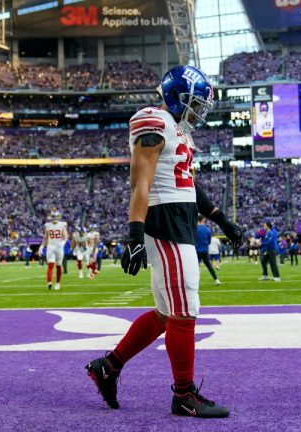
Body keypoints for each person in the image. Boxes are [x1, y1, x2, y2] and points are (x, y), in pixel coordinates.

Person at [85, 65, 243, 418]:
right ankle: (183, 394)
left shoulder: (178, 131)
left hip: (180, 220)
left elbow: (187, 185)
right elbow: (141, 183)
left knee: (165, 314)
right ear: (176, 96)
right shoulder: (153, 120)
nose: (198, 110)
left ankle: (108, 366)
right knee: (185, 310)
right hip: (165, 223)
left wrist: (221, 219)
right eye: (194, 102)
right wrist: (134, 236)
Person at [43, 210, 67, 291]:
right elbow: (45, 237)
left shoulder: (62, 225)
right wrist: (41, 246)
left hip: (59, 246)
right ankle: (49, 282)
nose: (55, 218)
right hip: (51, 246)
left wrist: (63, 242)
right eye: (53, 217)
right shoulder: (47, 225)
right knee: (51, 265)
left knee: (59, 265)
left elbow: (65, 236)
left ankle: (57, 283)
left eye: (56, 217)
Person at [196, 215, 220, 285]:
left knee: (196, 267)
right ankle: (216, 280)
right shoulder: (207, 229)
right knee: (209, 265)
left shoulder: (195, 229)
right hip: (205, 250)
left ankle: (195, 282)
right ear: (203, 220)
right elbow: (209, 241)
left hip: (197, 250)